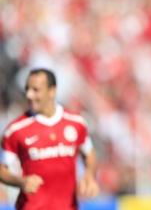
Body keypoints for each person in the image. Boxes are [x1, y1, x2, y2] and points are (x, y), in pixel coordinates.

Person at [0, 68, 99, 210]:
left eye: (36, 90)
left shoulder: (76, 123)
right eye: (27, 89)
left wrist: (89, 175)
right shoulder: (16, 130)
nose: (29, 95)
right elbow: (2, 171)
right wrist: (21, 182)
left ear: (52, 91)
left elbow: (89, 153)